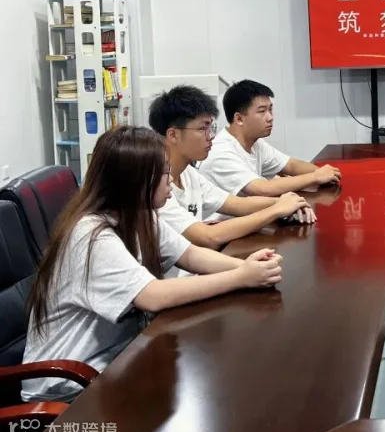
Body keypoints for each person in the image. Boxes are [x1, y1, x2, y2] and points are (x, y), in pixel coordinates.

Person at [22, 126, 284, 402]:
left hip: (114, 361)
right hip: (65, 389)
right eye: (163, 173)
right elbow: (152, 296)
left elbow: (190, 255)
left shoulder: (140, 215)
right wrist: (241, 277)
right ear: (136, 180)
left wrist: (247, 267)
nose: (170, 179)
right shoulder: (91, 235)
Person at [148, 85, 315, 251]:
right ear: (173, 135)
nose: (211, 136)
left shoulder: (188, 173)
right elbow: (209, 237)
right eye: (202, 128)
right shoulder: (154, 186)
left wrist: (287, 202)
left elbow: (238, 204)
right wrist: (276, 210)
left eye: (211, 127)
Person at [200, 80, 341, 196]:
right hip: (224, 221)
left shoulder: (255, 143)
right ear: (239, 119)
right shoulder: (221, 152)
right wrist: (315, 177)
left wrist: (327, 175)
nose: (270, 117)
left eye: (270, 109)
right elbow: (262, 188)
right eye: (262, 111)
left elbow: (290, 165)